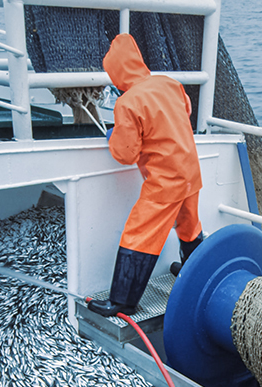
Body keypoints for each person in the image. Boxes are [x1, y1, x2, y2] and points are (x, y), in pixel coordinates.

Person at [87, 33, 204, 318]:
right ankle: (193, 275)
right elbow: (185, 110)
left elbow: (125, 153)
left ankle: (122, 302)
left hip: (165, 183)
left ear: (115, 73)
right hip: (190, 172)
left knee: (138, 235)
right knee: (189, 227)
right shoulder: (169, 83)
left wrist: (113, 135)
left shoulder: (127, 103)